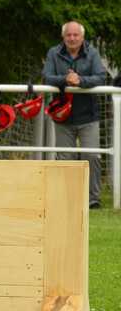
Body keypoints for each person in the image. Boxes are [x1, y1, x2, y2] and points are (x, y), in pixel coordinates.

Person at [42, 21, 106, 209]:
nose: (72, 38)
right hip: (62, 116)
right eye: (68, 35)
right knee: (64, 158)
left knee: (92, 157)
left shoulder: (92, 53)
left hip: (88, 116)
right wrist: (65, 79)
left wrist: (80, 80)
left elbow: (100, 77)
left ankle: (93, 199)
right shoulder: (53, 53)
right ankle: (66, 197)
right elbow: (46, 76)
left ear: (82, 37)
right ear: (63, 37)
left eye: (75, 35)